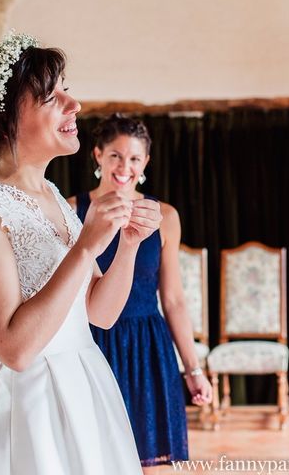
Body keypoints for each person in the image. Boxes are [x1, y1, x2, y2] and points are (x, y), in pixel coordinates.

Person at [0, 32, 162, 474]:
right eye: (51, 97)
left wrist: (128, 244)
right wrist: (87, 245)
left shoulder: (54, 196)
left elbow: (100, 313)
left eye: (67, 91)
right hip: (26, 404)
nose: (73, 105)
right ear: (5, 119)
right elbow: (14, 350)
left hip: (85, 385)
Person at [67, 114, 213, 473]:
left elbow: (174, 299)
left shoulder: (165, 216)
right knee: (93, 459)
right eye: (116, 155)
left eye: (134, 158)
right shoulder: (71, 211)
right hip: (92, 345)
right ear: (98, 155)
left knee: (148, 462)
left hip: (148, 348)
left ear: (145, 162)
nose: (124, 167)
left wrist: (193, 369)